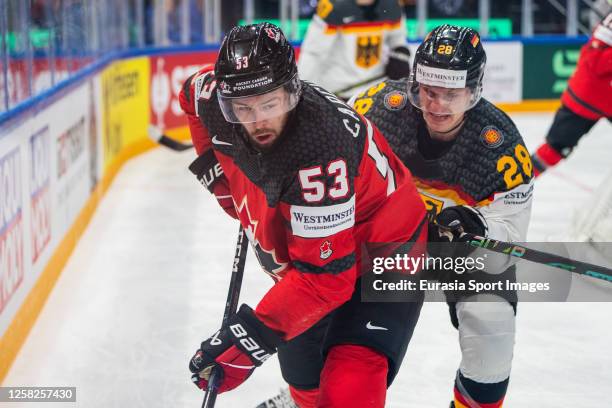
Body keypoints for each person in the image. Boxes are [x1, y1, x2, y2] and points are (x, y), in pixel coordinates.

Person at [179, 22, 428, 407]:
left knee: (351, 381)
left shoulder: (320, 150)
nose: (258, 120)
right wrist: (219, 173)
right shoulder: (212, 95)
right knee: (302, 373)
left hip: (386, 249)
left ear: (292, 91)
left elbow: (326, 281)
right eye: (243, 108)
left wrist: (247, 339)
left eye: (270, 104)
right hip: (319, 255)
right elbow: (190, 96)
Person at [350, 25, 534, 408]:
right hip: (386, 244)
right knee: (337, 320)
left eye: (451, 94)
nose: (436, 106)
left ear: (474, 90)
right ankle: (313, 391)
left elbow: (509, 238)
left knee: (492, 327)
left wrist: (477, 224)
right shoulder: (375, 110)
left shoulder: (501, 150)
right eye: (429, 92)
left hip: (456, 253)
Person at [531, 11, 611, 176]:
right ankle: (509, 187)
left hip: (591, 94)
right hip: (588, 96)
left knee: (553, 151)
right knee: (553, 150)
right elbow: (596, 62)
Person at [298, 0, 412, 100]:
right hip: (338, 93)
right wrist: (302, 90)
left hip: (375, 92)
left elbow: (398, 39)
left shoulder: (391, 5)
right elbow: (313, 53)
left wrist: (400, 53)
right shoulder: (332, 6)